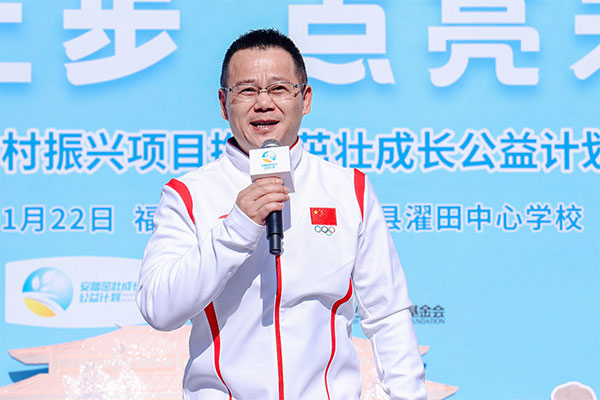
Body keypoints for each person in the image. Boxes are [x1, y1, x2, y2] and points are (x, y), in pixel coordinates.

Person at [136, 28, 426, 400]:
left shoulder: (347, 188)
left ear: (305, 99)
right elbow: (159, 309)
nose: (263, 103)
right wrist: (236, 229)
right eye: (246, 90)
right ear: (224, 103)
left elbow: (388, 314)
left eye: (278, 88)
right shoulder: (189, 194)